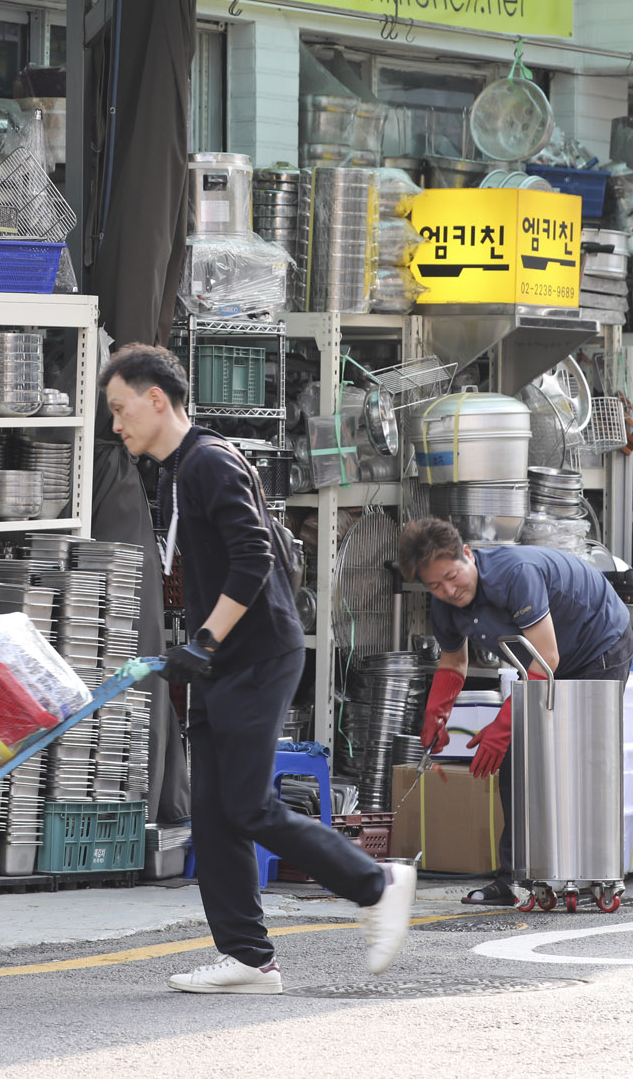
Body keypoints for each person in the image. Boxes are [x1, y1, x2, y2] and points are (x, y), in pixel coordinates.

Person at [102, 343, 416, 994]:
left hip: (255, 654)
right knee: (213, 813)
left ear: (156, 399)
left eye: (119, 407)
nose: (116, 423)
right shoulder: (179, 469)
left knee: (245, 803)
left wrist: (206, 641)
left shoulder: (208, 463)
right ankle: (248, 957)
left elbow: (252, 561)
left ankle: (376, 881)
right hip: (224, 661)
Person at [396, 519, 633, 907]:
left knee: (584, 758)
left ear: (468, 556)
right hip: (544, 662)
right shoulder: (444, 604)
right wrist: (435, 716)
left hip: (598, 644)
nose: (449, 591)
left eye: (453, 577)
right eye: (435, 586)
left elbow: (549, 659)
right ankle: (515, 878)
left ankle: (593, 869)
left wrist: (501, 727)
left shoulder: (515, 575)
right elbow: (454, 663)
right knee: (519, 762)